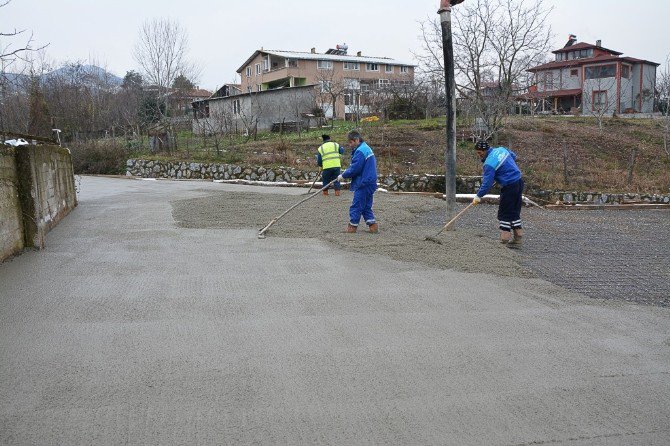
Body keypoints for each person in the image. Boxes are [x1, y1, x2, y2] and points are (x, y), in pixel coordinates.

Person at [471, 140, 524, 244]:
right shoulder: (501, 149)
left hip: (509, 186)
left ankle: (504, 241)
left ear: (485, 150)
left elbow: (487, 184)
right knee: (514, 211)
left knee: (504, 214)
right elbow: (513, 156)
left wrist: (478, 196)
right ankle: (518, 238)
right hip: (519, 181)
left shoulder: (489, 164)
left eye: (479, 152)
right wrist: (503, 169)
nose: (479, 155)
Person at [337, 130, 378, 233]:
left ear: (356, 140)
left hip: (363, 182)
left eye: (351, 142)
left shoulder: (360, 151)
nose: (350, 145)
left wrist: (343, 175)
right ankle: (373, 226)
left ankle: (352, 227)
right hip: (370, 181)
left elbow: (355, 168)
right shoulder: (366, 148)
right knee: (366, 206)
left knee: (357, 204)